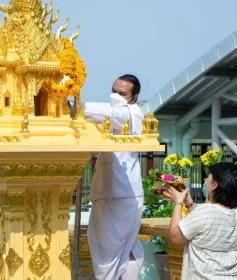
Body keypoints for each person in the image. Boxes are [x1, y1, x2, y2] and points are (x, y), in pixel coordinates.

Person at [84, 74, 144, 280]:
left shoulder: (133, 112)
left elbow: (111, 113)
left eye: (122, 93)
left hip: (124, 193)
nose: (115, 96)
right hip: (105, 191)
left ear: (134, 97)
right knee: (102, 249)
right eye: (113, 91)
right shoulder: (107, 115)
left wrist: (77, 106)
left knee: (116, 253)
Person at [163, 162, 237, 280]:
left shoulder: (206, 212)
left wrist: (178, 202)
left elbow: (176, 236)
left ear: (214, 185)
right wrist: (189, 203)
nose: (205, 183)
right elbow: (206, 223)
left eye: (207, 180)